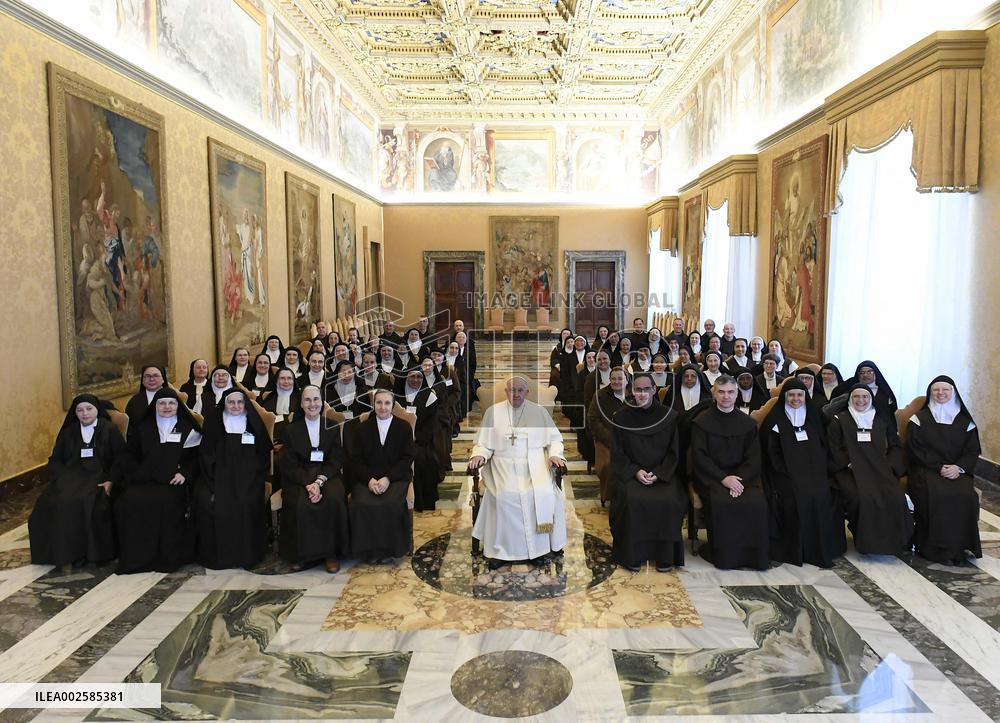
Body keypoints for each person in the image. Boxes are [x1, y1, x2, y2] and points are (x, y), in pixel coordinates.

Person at [469, 377, 568, 567]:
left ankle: (537, 551)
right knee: (504, 496)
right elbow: (483, 443)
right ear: (506, 392)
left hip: (535, 465)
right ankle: (499, 552)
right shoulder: (493, 412)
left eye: (520, 390)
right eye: (512, 390)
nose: (515, 394)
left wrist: (555, 454)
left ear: (527, 393)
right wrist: (479, 454)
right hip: (502, 465)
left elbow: (555, 439)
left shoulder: (539, 412)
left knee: (538, 493)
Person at [29, 394, 123, 570]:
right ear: (75, 412)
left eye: (89, 409)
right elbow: (55, 459)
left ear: (97, 410)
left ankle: (87, 554)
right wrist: (60, 478)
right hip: (70, 476)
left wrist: (111, 480)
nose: (85, 413)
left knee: (84, 502)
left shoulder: (108, 429)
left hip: (99, 477)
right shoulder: (68, 432)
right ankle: (56, 553)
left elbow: (120, 459)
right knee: (47, 502)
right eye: (80, 410)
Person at [761, 379, 844, 568]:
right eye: (791, 395)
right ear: (784, 397)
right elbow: (771, 453)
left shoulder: (815, 417)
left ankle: (821, 547)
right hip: (784, 473)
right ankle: (796, 549)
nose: (795, 399)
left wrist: (819, 469)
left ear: (805, 396)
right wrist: (786, 471)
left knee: (825, 495)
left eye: (799, 395)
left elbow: (824, 447)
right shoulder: (775, 419)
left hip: (815, 472)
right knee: (796, 496)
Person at [116, 388, 200, 573]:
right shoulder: (144, 428)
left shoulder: (188, 428)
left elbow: (196, 458)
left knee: (167, 502)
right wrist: (136, 474)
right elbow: (130, 456)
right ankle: (136, 558)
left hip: (173, 481)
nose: (167, 407)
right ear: (155, 406)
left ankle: (167, 558)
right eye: (162, 403)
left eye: (171, 403)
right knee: (129, 501)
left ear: (178, 406)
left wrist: (184, 474)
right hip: (145, 479)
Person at [690, 376, 770, 570]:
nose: (726, 396)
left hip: (743, 479)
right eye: (721, 392)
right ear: (714, 394)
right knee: (722, 501)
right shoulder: (701, 422)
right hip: (711, 478)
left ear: (737, 394)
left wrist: (739, 481)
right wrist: (724, 479)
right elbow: (700, 457)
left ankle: (753, 557)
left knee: (756, 501)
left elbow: (753, 458)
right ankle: (725, 556)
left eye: (730, 392)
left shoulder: (747, 423)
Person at [610, 373, 686, 571]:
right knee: (630, 500)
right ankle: (633, 555)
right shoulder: (621, 417)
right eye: (638, 389)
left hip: (662, 474)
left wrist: (659, 473)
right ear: (632, 391)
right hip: (632, 474)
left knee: (670, 499)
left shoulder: (670, 416)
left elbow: (674, 452)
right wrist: (635, 472)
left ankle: (664, 555)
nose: (642, 393)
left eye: (646, 389)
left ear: (654, 390)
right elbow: (618, 453)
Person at [905, 376, 982, 564]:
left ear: (953, 392)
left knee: (966, 495)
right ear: (930, 393)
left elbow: (972, 451)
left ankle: (959, 548)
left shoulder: (965, 421)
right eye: (936, 390)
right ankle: (934, 550)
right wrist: (939, 467)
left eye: (945, 389)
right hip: (926, 468)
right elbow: (914, 450)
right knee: (936, 494)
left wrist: (958, 467)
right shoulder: (919, 419)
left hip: (957, 470)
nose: (940, 393)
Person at [827, 384, 910, 555]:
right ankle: (867, 542)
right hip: (850, 470)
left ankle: (893, 542)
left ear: (871, 399)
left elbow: (895, 446)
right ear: (850, 399)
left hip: (880, 469)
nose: (861, 400)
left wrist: (889, 466)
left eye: (865, 397)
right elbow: (833, 449)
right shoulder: (839, 420)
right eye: (856, 397)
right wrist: (848, 463)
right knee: (861, 497)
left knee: (895, 496)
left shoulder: (882, 419)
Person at [195, 388, 271, 569]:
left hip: (250, 477)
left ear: (245, 404)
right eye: (231, 402)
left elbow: (263, 455)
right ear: (224, 404)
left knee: (247, 501)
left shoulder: (253, 424)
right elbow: (205, 455)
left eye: (240, 402)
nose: (236, 406)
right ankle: (219, 556)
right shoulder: (214, 423)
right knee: (207, 501)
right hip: (217, 476)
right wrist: (216, 480)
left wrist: (253, 476)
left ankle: (247, 556)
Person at [278, 385, 349, 572]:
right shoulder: (290, 430)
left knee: (333, 498)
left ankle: (331, 554)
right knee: (299, 502)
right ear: (301, 404)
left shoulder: (332, 426)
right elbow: (290, 464)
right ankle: (301, 555)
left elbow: (336, 460)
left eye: (316, 399)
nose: (312, 404)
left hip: (327, 474)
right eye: (307, 400)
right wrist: (308, 483)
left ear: (322, 402)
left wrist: (318, 482)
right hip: (299, 475)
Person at [345, 388, 415, 563]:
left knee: (390, 504)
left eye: (387, 403)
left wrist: (388, 478)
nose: (383, 407)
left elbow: (407, 458)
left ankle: (389, 550)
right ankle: (367, 550)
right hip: (367, 479)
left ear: (393, 405)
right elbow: (356, 460)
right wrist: (369, 480)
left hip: (395, 478)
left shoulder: (404, 427)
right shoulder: (362, 429)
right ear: (373, 404)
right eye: (379, 403)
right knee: (360, 504)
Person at [397, 367, 445, 511]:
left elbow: (431, 423)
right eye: (412, 377)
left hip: (421, 440)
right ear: (406, 377)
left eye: (419, 377)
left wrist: (416, 438)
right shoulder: (396, 396)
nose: (415, 380)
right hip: (398, 440)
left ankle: (421, 501)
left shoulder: (429, 396)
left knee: (423, 459)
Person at [835, 361, 899, 432]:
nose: (865, 375)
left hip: (879, 430)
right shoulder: (850, 393)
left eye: (869, 372)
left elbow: (890, 416)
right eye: (862, 372)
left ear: (875, 374)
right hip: (852, 429)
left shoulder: (885, 394)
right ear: (858, 375)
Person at [124, 365, 167, 434]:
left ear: (163, 379)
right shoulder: (134, 402)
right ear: (143, 380)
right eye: (147, 376)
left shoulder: (173, 398)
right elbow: (130, 429)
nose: (151, 379)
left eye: (156, 376)